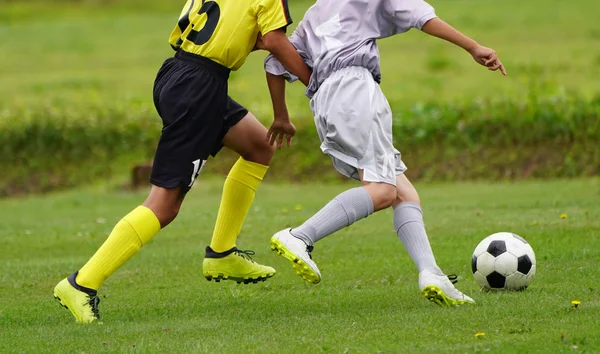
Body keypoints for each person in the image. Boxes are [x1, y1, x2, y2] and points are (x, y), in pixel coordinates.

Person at [53, 0, 312, 323]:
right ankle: (81, 284)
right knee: (165, 203)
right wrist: (314, 81)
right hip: (199, 87)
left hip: (179, 72)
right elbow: (273, 40)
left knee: (259, 147)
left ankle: (222, 254)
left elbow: (233, 30)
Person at [263, 0, 506, 306]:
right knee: (382, 191)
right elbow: (422, 17)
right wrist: (473, 47)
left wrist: (281, 115)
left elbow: (274, 62)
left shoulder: (315, 13)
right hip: (355, 90)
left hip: (326, 100)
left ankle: (431, 273)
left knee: (404, 192)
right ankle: (300, 236)